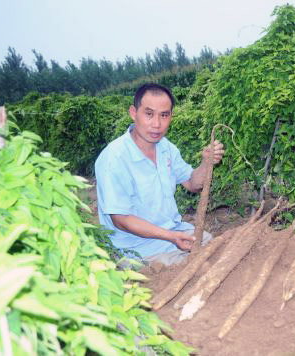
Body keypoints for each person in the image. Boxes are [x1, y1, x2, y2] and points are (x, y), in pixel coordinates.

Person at [95, 83, 224, 266]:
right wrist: (171, 237)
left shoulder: (166, 148)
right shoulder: (114, 158)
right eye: (149, 114)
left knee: (215, 245)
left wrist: (206, 163)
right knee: (195, 266)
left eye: (164, 115)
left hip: (173, 232)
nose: (157, 124)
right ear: (133, 113)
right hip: (137, 248)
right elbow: (121, 220)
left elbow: (193, 183)